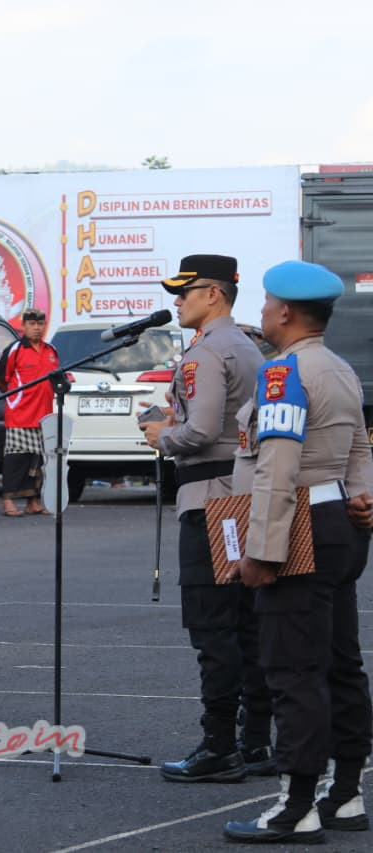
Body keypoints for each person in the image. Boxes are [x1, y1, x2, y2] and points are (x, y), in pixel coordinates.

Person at [222, 260, 373, 844]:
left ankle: (296, 805)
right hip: (338, 521)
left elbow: (277, 467)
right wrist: (363, 498)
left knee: (292, 669)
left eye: (265, 305)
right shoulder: (340, 368)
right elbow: (360, 446)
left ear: (285, 312)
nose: (261, 313)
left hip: (298, 525)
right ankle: (346, 793)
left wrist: (261, 550)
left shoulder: (284, 374)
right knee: (339, 663)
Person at [133, 255, 273, 783]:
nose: (177, 301)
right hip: (238, 495)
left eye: (184, 292)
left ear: (212, 294)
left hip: (210, 499)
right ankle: (255, 741)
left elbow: (199, 430)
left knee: (213, 624)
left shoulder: (208, 351)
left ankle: (220, 746)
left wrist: (159, 435)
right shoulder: (244, 345)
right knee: (246, 624)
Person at [0, 308, 57, 517]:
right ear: (24, 326)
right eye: (32, 324)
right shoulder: (15, 350)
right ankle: (8, 501)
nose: (37, 328)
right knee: (16, 460)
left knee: (38, 461)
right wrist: (15, 399)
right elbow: (1, 379)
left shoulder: (51, 351)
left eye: (40, 324)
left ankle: (33, 502)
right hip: (20, 415)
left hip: (44, 416)